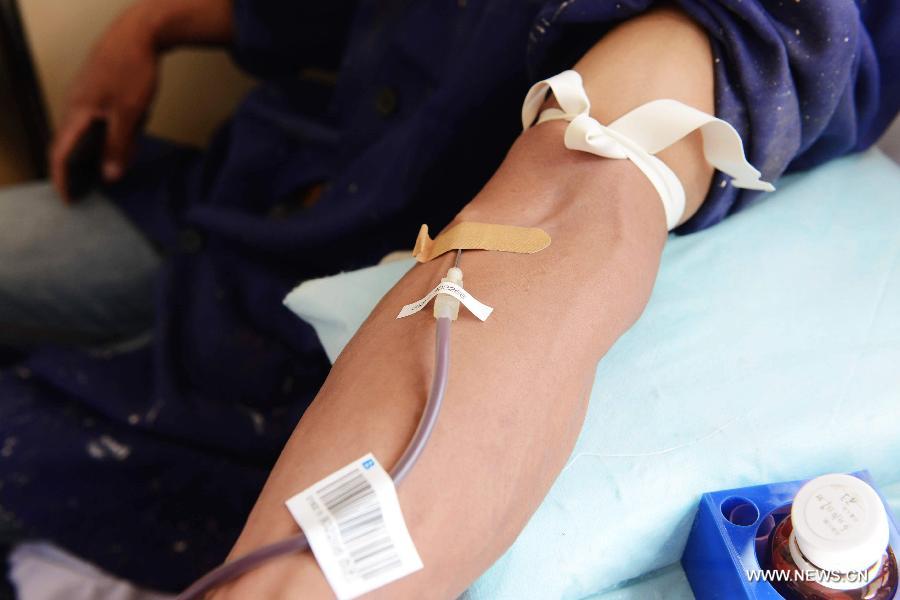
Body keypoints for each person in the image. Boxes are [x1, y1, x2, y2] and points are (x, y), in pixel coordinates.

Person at [0, 0, 897, 596]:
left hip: (288, 347)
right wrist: (151, 22)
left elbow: (577, 195)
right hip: (251, 191)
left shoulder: (754, 26)